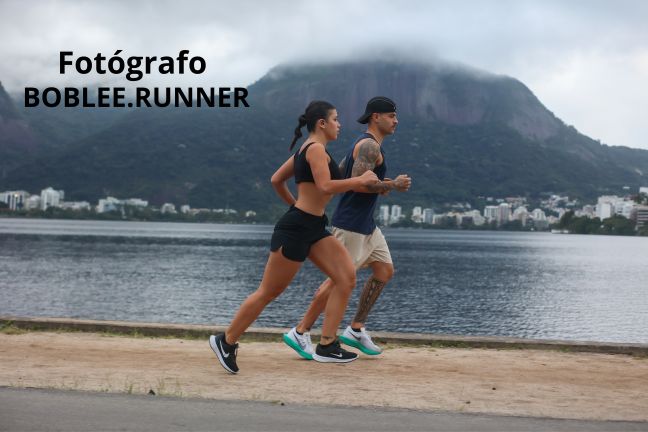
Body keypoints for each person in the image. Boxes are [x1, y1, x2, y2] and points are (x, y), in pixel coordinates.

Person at [209, 100, 379, 374]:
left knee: (345, 276)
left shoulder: (309, 150)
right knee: (270, 291)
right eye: (335, 119)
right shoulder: (313, 150)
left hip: (312, 226)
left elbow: (277, 180)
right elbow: (325, 185)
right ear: (321, 123)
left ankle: (327, 345)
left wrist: (296, 206)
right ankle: (226, 340)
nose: (339, 124)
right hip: (297, 228)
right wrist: (358, 182)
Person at [283, 96, 411, 359]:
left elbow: (347, 176)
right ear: (376, 117)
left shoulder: (366, 146)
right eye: (391, 116)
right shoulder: (367, 146)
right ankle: (300, 330)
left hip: (367, 225)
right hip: (351, 225)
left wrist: (382, 184)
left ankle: (355, 329)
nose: (396, 121)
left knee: (384, 270)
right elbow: (360, 183)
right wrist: (393, 184)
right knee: (336, 280)